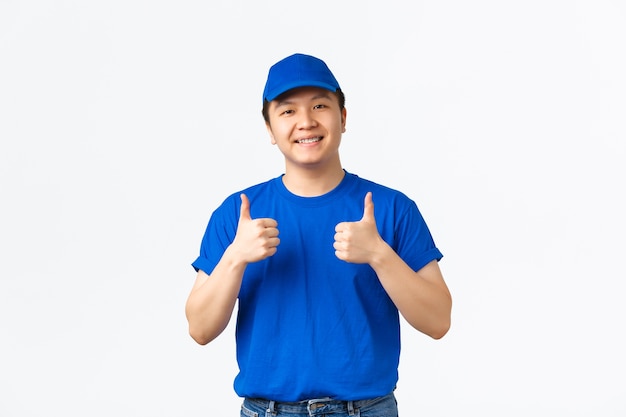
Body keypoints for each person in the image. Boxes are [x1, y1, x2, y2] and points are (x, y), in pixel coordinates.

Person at [185, 53, 452, 417]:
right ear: (269, 129)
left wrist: (379, 255)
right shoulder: (237, 213)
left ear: (342, 118)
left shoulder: (391, 208)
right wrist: (235, 258)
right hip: (267, 411)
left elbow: (438, 321)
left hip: (367, 409)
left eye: (320, 106)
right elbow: (199, 329)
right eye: (287, 111)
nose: (306, 122)